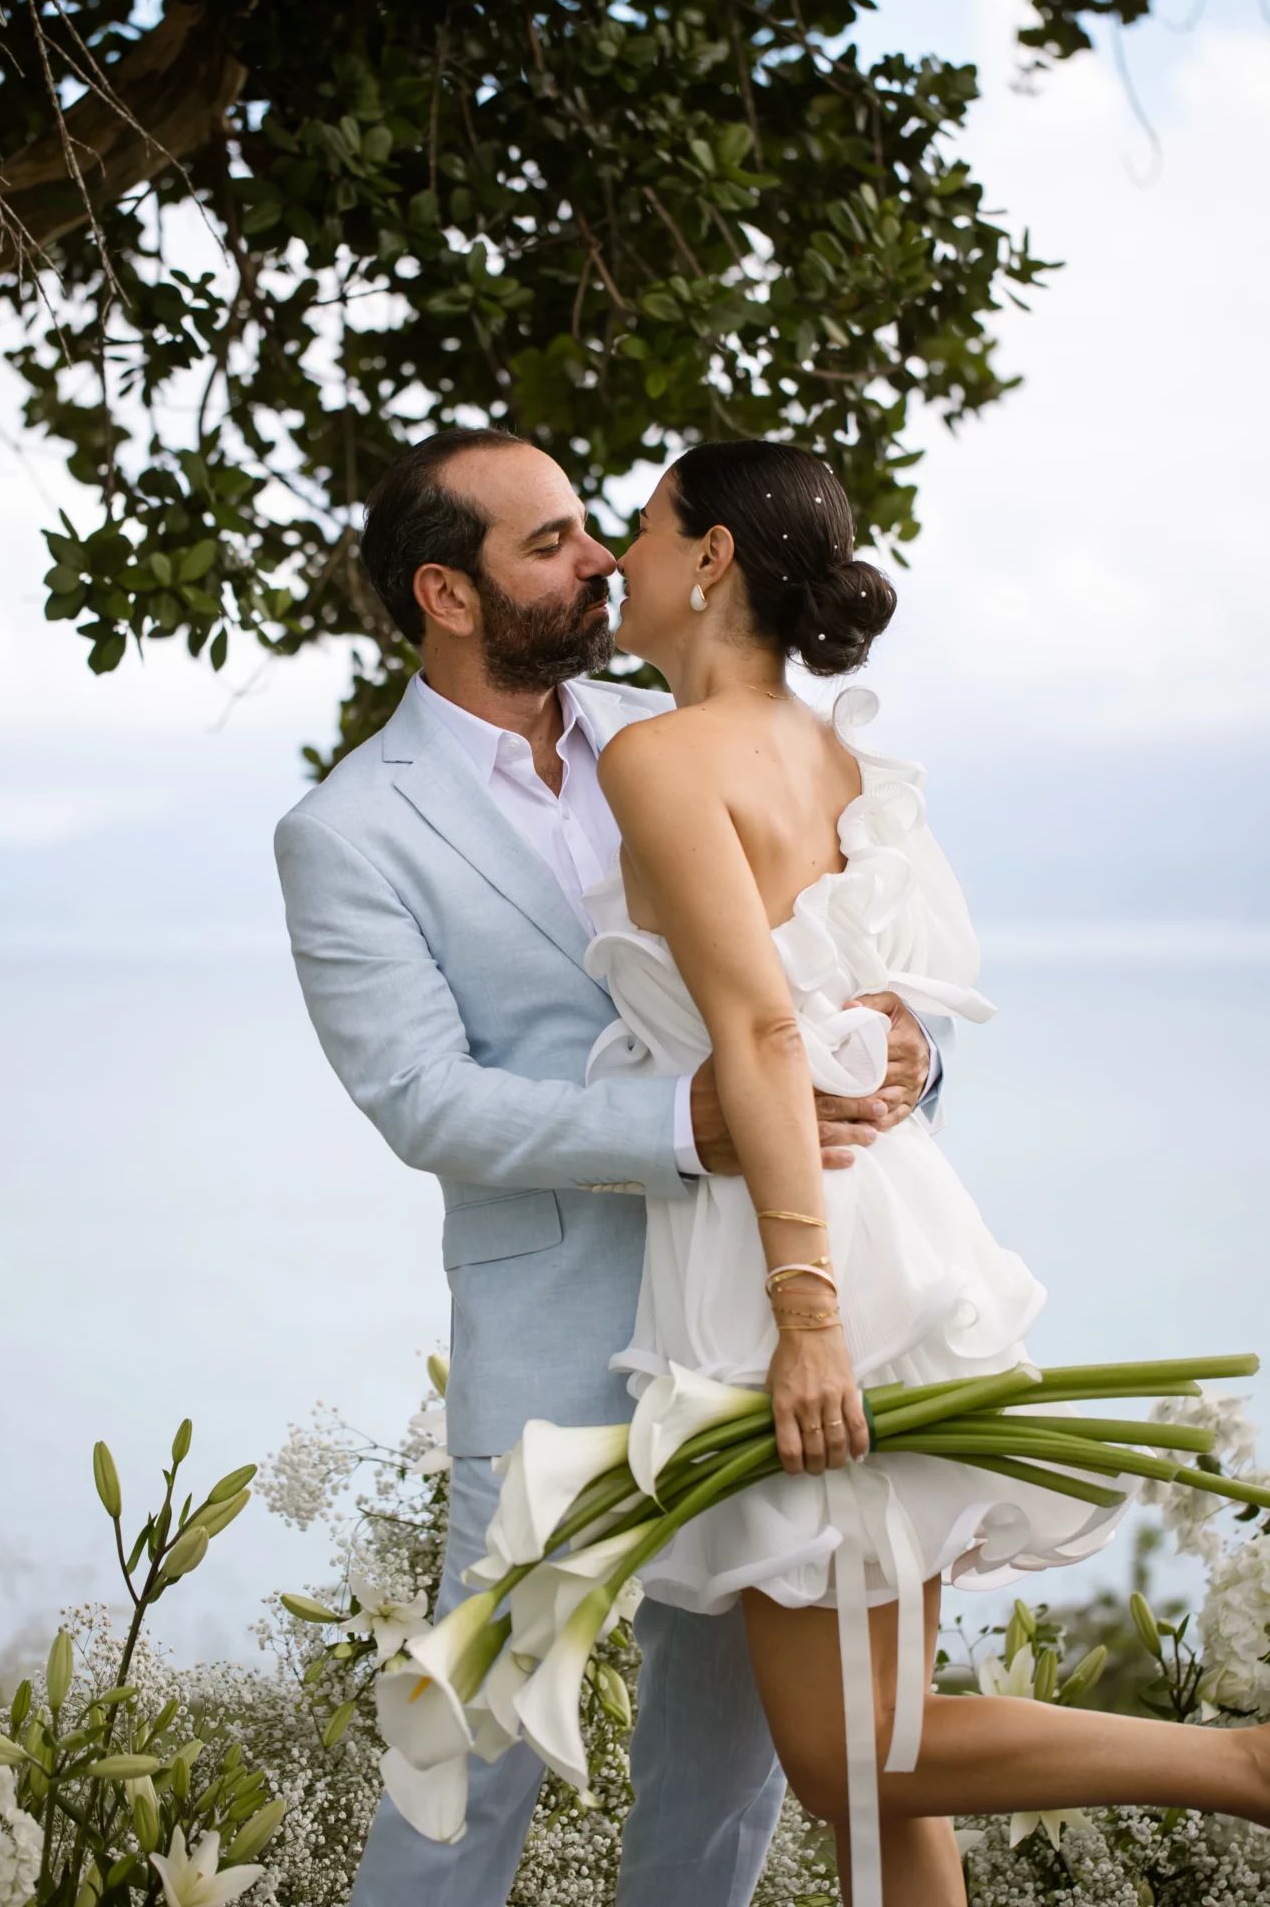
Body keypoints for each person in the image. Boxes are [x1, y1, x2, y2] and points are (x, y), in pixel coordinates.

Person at [575, 436, 1270, 1907]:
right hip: (898, 1220)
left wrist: (806, 1311)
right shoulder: (841, 760)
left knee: (850, 1759)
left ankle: (1243, 1769)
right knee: (881, 1768)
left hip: (795, 1253)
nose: (615, 557)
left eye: (639, 528)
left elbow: (763, 1027)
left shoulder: (654, 756)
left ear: (710, 561)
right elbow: (891, 1012)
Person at [273, 426, 948, 1907]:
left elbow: (843, 972)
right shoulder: (345, 832)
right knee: (471, 1756)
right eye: (550, 541)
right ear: (448, 596)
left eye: (597, 527)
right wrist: (680, 1127)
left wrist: (906, 1051)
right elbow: (424, 1100)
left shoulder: (688, 724)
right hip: (556, 1345)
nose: (594, 559)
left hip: (754, 1323)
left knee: (726, 1773)